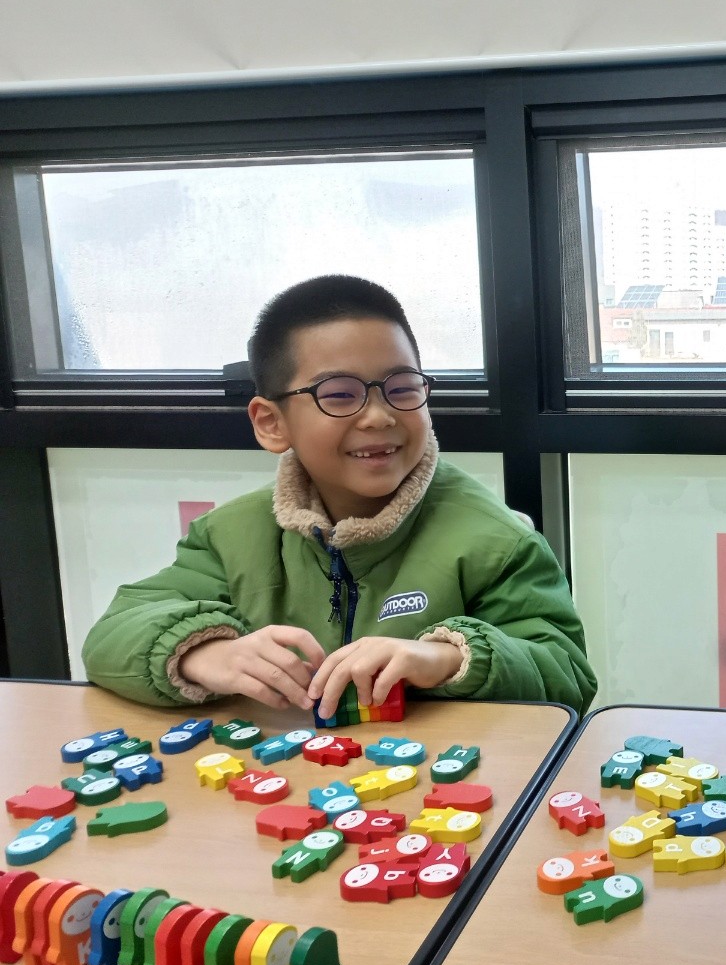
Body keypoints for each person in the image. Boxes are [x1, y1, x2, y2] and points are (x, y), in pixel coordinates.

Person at [83, 275, 597, 715]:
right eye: (339, 395)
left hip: (436, 795)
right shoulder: (230, 536)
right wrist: (203, 653)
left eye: (401, 387)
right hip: (287, 784)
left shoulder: (493, 539)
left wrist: (447, 660)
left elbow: (567, 675)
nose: (379, 415)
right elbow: (111, 637)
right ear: (271, 422)